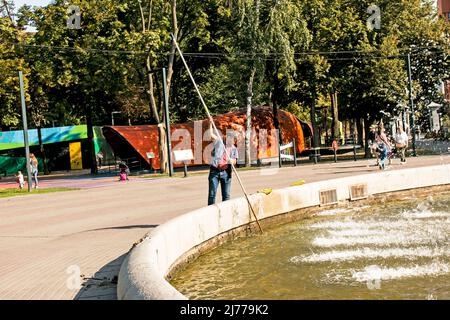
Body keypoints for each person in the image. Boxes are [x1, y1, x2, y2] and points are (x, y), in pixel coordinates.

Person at [207, 121, 239, 206]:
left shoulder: (234, 149)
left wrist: (231, 161)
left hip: (226, 173)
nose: (230, 140)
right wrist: (210, 124)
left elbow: (234, 161)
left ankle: (226, 211)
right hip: (215, 171)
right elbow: (211, 135)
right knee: (212, 195)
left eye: (232, 139)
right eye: (229, 137)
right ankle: (210, 212)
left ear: (234, 141)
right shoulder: (219, 142)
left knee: (226, 195)